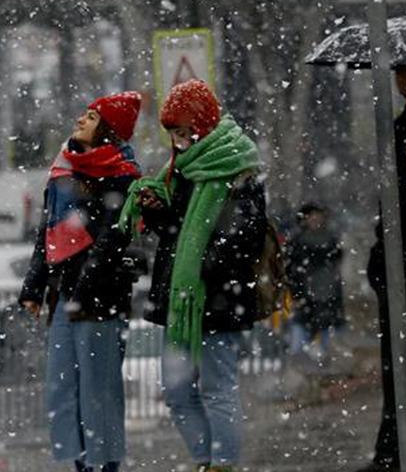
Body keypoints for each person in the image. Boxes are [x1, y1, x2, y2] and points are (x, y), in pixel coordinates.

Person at [119, 79, 266, 472]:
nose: (180, 141)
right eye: (173, 134)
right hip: (181, 299)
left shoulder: (238, 168)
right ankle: (205, 460)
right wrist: (154, 209)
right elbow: (175, 229)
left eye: (184, 131)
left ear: (202, 124)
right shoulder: (180, 169)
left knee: (218, 388)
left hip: (218, 296)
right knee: (177, 389)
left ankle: (222, 463)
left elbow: (243, 237)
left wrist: (203, 263)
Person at [18, 91, 143, 472]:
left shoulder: (122, 176)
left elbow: (112, 237)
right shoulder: (64, 169)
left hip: (99, 298)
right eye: (84, 114)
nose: (81, 120)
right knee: (62, 386)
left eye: (91, 117)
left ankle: (103, 464)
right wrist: (34, 286)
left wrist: (85, 281)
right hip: (63, 295)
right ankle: (79, 462)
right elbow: (48, 232)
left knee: (98, 388)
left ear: (107, 130)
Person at [358, 65, 406, 472]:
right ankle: (392, 452)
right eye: (401, 75)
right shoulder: (399, 126)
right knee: (396, 367)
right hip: (401, 265)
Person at [285, 203, 344, 360]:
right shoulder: (298, 241)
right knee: (300, 341)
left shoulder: (330, 239)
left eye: (318, 216)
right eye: (311, 216)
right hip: (306, 296)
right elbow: (291, 270)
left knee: (326, 343)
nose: (315, 220)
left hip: (326, 295)